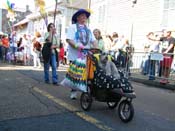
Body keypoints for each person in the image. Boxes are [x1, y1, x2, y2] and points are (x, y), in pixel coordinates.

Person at [66, 9, 97, 99]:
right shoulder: (72, 27)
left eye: (85, 16)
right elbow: (69, 40)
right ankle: (74, 91)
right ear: (78, 17)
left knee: (88, 73)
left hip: (87, 55)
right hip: (75, 55)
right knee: (75, 74)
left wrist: (96, 48)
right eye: (82, 16)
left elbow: (94, 41)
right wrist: (77, 46)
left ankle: (86, 90)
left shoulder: (88, 30)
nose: (84, 18)